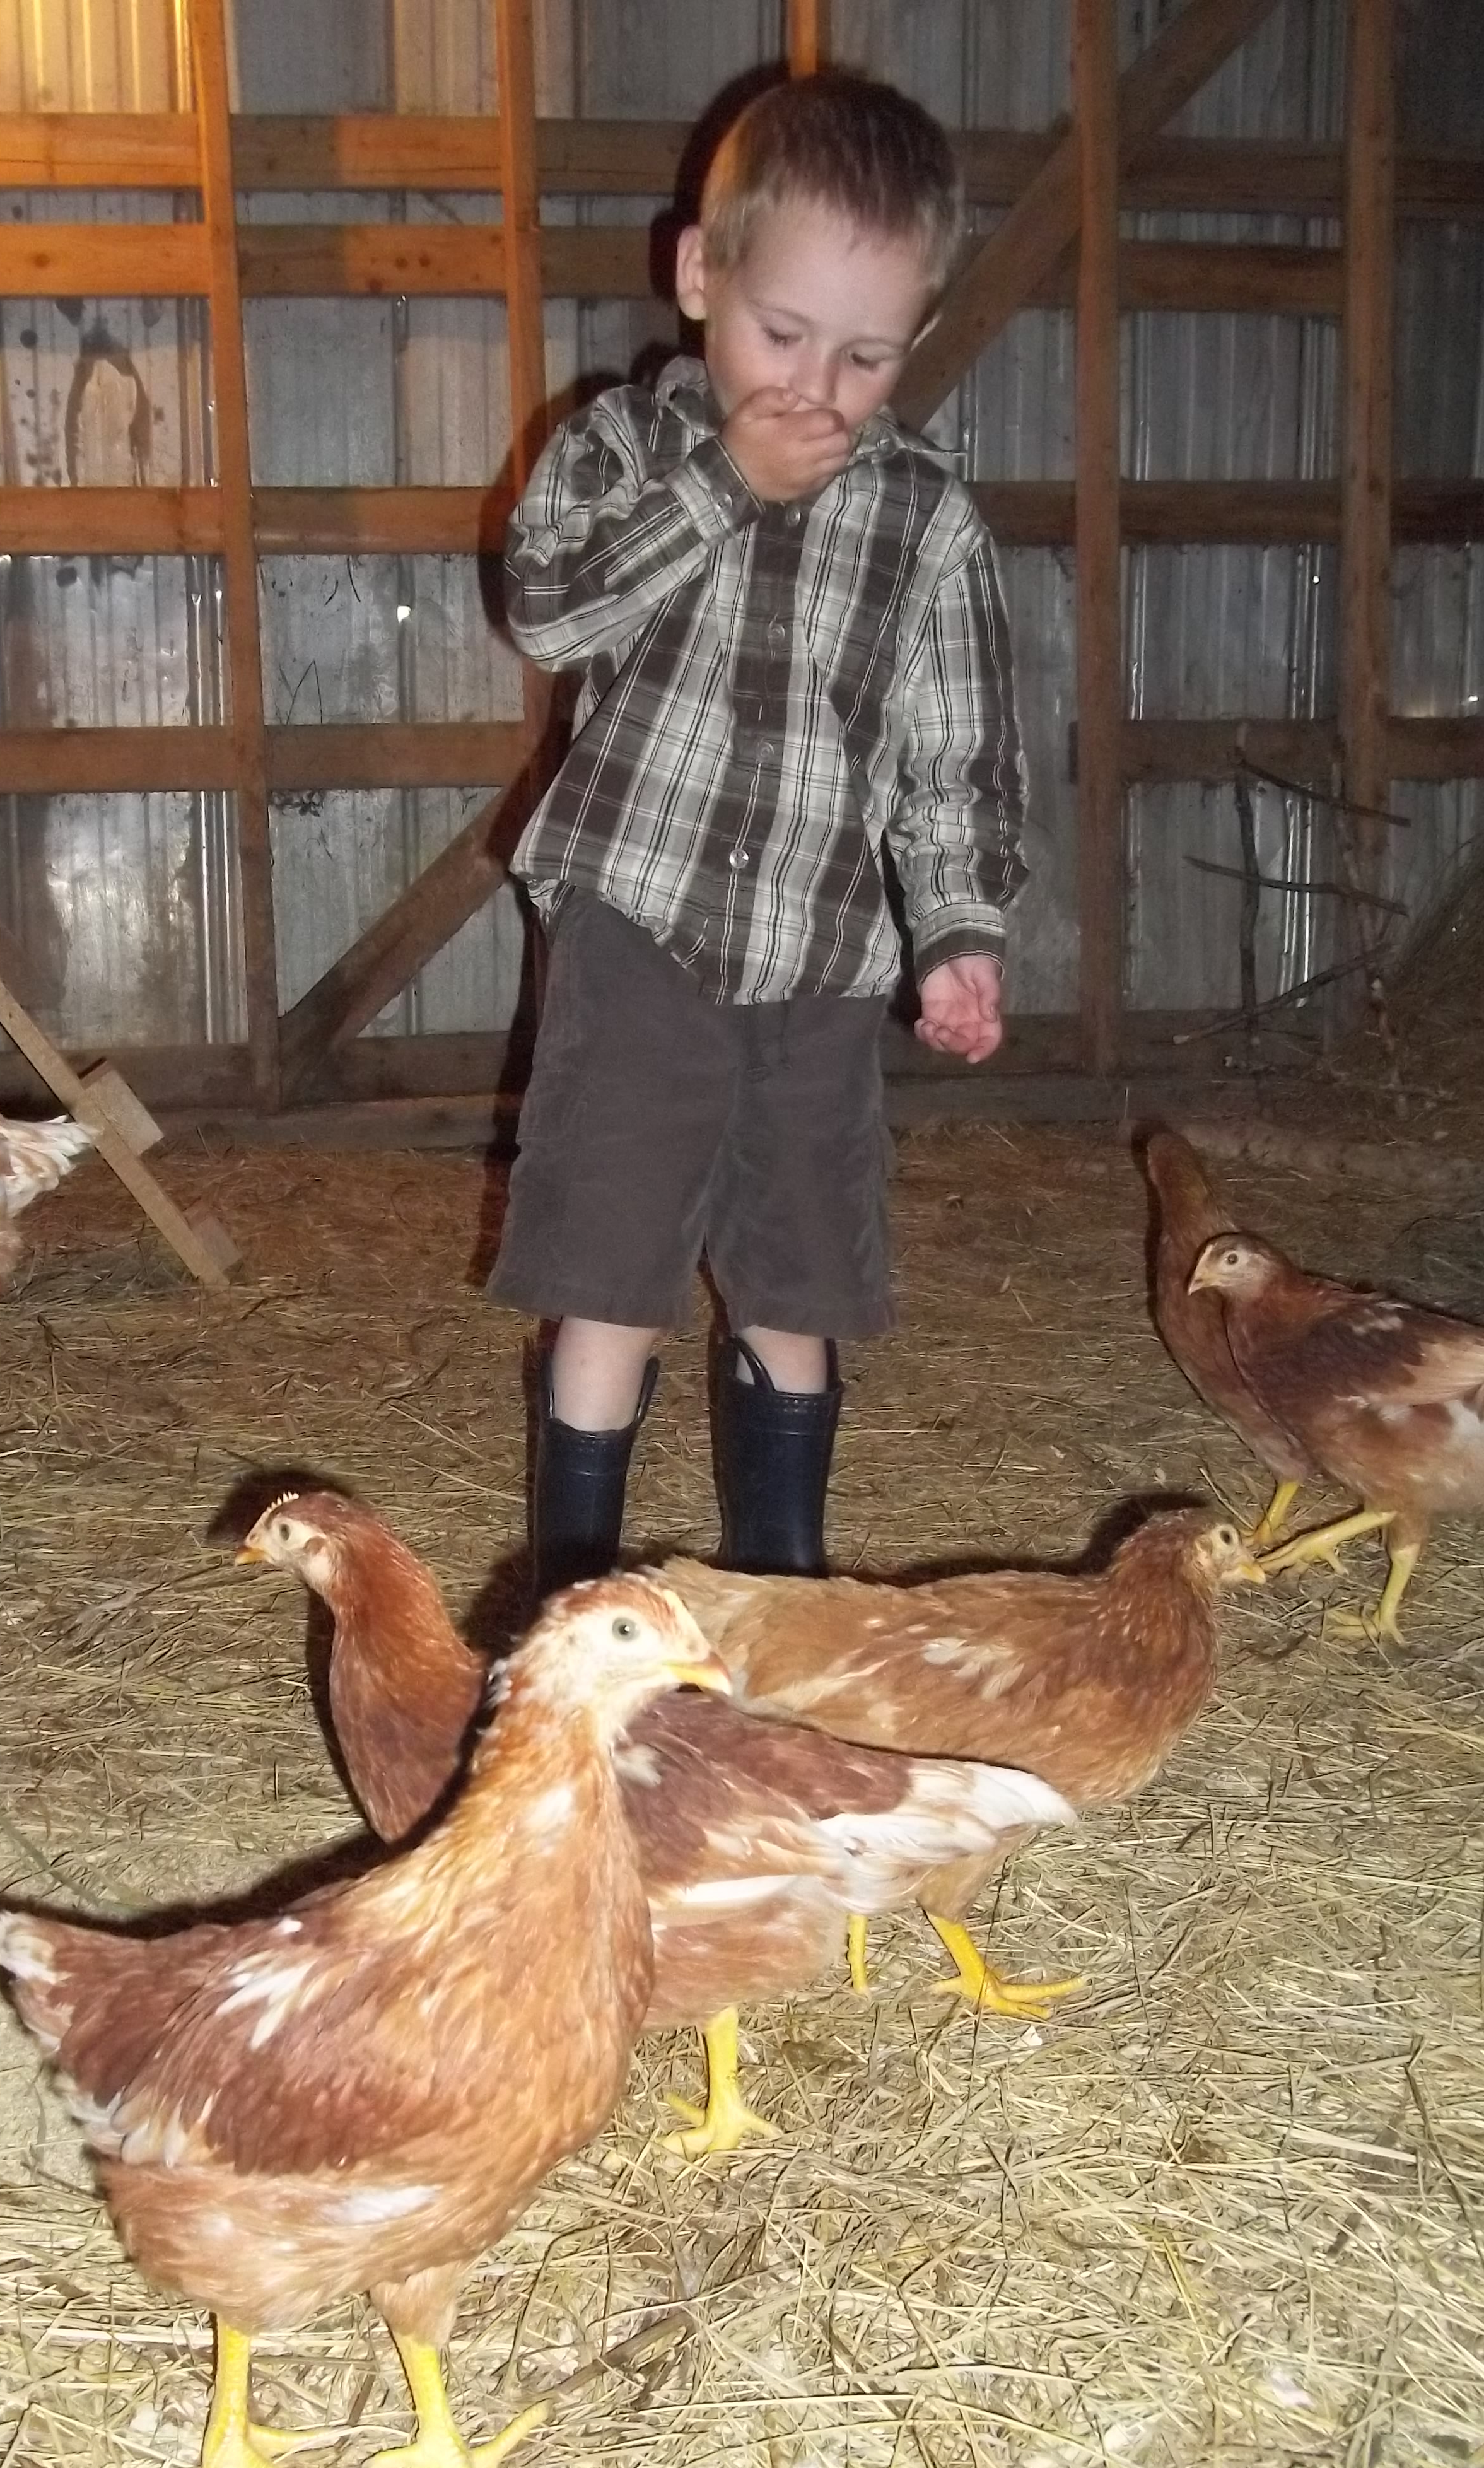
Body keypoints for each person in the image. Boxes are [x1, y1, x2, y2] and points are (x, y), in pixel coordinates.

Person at [490, 69, 1027, 1596]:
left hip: (821, 967)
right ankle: (572, 1604)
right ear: (698, 277)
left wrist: (963, 929)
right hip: (638, 933)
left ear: (913, 340)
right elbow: (546, 604)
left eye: (866, 356)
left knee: (794, 1282)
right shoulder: (620, 451)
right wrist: (724, 486)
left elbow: (961, 756)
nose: (818, 387)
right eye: (783, 335)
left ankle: (783, 1597)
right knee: (611, 1276)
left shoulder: (927, 520)